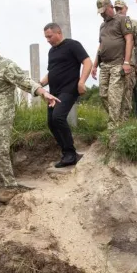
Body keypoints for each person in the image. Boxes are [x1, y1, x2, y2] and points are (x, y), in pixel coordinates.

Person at [0, 33, 59, 191]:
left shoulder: (6, 66)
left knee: (0, 154)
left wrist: (43, 92)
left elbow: (24, 81)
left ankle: (11, 187)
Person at [41, 23, 92, 168]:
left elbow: (87, 62)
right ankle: (67, 153)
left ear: (59, 32)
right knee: (51, 122)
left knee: (58, 117)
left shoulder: (72, 45)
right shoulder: (52, 52)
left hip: (69, 89)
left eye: (49, 36)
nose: (48, 40)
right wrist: (39, 84)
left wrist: (82, 82)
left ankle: (70, 154)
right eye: (46, 37)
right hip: (54, 92)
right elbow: (51, 73)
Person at [91, 0, 133, 129]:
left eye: (104, 10)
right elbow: (101, 46)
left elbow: (129, 40)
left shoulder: (122, 19)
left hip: (118, 63)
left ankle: (113, 127)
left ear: (110, 7)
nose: (102, 13)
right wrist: (95, 65)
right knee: (103, 94)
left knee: (114, 96)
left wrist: (126, 62)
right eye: (100, 11)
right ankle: (118, 120)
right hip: (104, 65)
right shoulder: (102, 26)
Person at [114, 0, 137, 118]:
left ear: (126, 8)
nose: (119, 11)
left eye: (121, 8)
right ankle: (116, 119)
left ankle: (125, 119)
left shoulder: (133, 23)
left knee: (128, 91)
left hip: (130, 62)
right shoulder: (111, 23)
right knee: (115, 92)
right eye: (116, 8)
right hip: (114, 62)